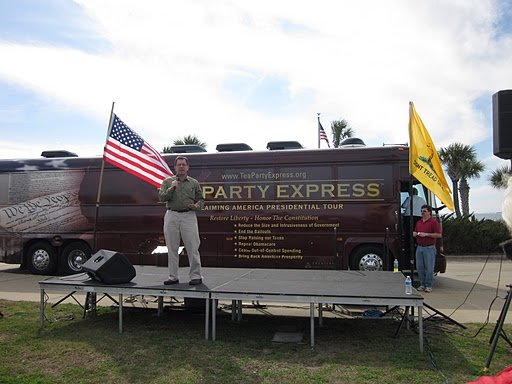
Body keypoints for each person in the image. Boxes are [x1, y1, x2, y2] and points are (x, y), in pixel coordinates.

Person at [158, 156, 203, 286]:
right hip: (172, 215)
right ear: (175, 167)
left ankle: (196, 276)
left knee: (193, 246)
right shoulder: (167, 182)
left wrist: (197, 206)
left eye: (184, 164)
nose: (181, 167)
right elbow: (161, 197)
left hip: (188, 215)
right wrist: (172, 188)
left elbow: (201, 199)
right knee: (172, 247)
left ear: (188, 167)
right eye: (179, 165)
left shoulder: (194, 183)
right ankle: (173, 277)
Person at [413, 204, 442, 293]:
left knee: (429, 268)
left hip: (429, 248)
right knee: (419, 267)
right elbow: (415, 231)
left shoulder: (433, 222)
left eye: (424, 211)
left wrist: (427, 234)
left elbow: (439, 234)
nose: (422, 213)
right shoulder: (419, 222)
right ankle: (422, 284)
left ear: (429, 212)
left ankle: (429, 285)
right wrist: (415, 233)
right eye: (421, 211)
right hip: (419, 247)